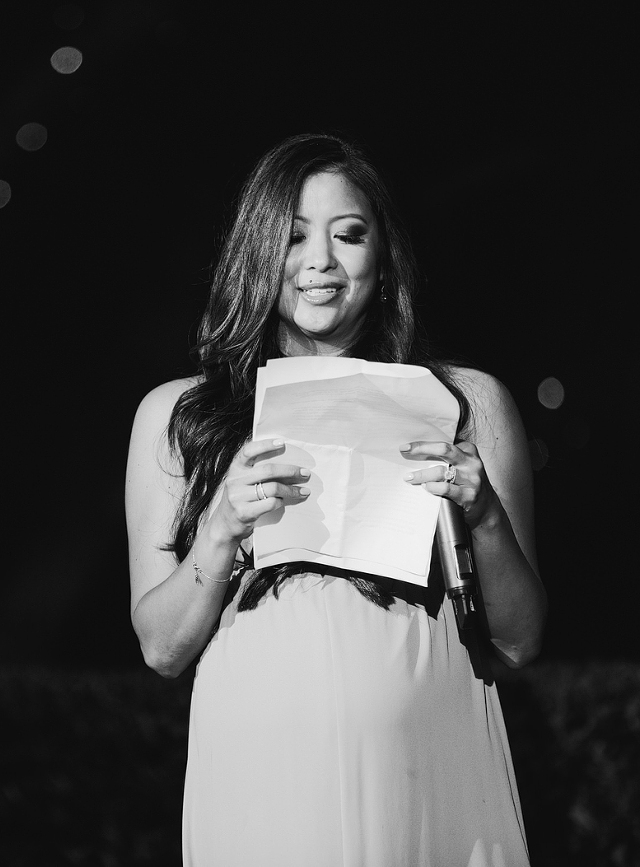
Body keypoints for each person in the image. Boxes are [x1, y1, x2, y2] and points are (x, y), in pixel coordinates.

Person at [124, 133, 546, 866]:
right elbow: (162, 647)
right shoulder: (178, 414)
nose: (319, 260)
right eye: (291, 237)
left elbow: (520, 638)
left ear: (381, 261)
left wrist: (483, 516)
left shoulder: (465, 401)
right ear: (257, 254)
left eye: (347, 234)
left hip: (430, 773)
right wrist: (221, 526)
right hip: (262, 785)